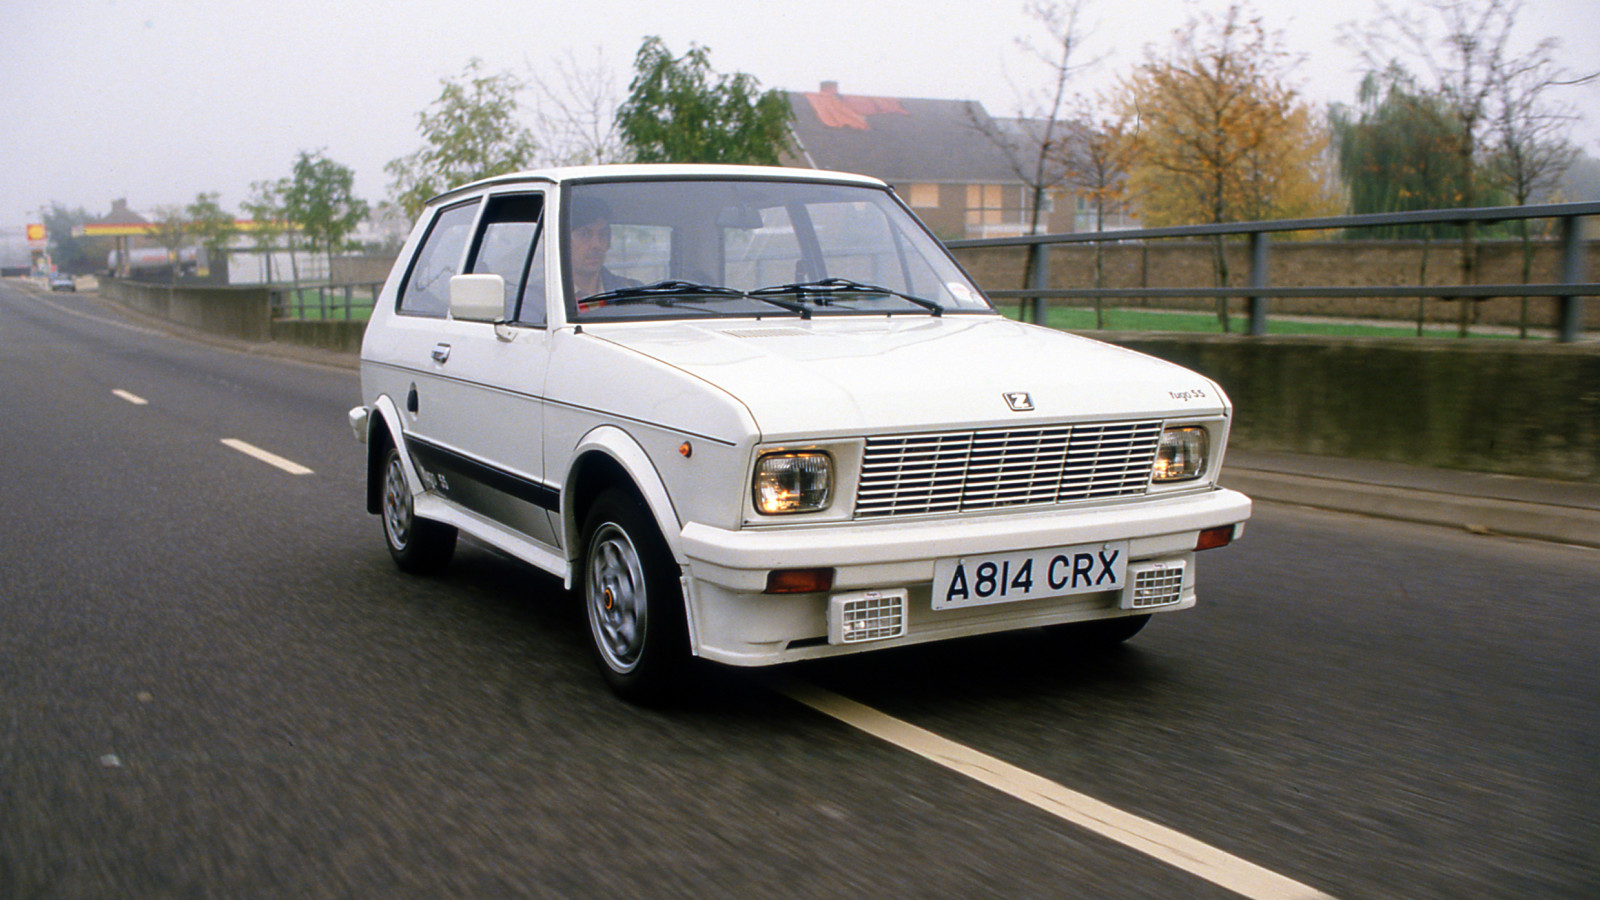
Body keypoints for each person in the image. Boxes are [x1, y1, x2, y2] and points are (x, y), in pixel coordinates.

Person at [569, 197, 639, 309]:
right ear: (563, 241)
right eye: (584, 234)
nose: (596, 244)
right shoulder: (543, 299)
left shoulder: (631, 293)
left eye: (602, 234)